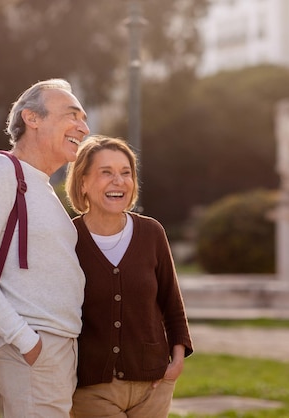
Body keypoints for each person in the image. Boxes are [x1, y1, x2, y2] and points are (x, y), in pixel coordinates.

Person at [0, 78, 90, 417]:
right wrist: (26, 342)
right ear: (33, 118)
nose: (83, 128)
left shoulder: (41, 186)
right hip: (31, 348)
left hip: (53, 347)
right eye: (72, 115)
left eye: (84, 119)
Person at [65, 135, 193, 418]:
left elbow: (172, 301)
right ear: (83, 182)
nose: (118, 181)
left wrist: (177, 361)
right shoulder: (67, 237)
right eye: (106, 173)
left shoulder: (152, 233)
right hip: (91, 387)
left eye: (126, 173)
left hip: (154, 383)